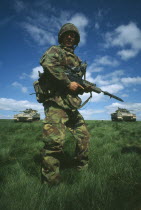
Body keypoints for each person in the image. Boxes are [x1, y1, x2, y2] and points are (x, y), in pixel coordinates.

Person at [40, 23, 90, 185]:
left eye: (73, 35)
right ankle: (51, 184)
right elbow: (48, 64)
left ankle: (82, 170)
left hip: (71, 105)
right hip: (56, 104)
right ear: (61, 37)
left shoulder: (77, 60)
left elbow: (77, 83)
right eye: (67, 35)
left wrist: (84, 86)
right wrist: (68, 83)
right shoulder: (55, 51)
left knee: (84, 137)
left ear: (76, 39)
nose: (70, 37)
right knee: (54, 143)